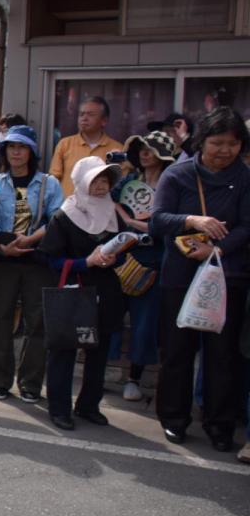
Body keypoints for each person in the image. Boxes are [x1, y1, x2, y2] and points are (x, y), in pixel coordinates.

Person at [150, 108, 250, 452]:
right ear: (201, 141)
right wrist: (193, 220)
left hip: (227, 277)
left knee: (222, 355)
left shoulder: (246, 178)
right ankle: (173, 418)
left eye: (233, 144)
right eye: (217, 142)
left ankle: (219, 423)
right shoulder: (177, 175)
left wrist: (218, 251)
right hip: (179, 277)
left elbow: (247, 227)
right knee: (177, 352)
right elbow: (158, 220)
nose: (225, 150)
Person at [38, 157, 124, 431]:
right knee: (64, 350)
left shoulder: (113, 212)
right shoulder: (64, 216)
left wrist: (114, 260)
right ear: (83, 182)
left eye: (105, 181)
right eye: (95, 180)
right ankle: (59, 408)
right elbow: (49, 259)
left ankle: (89, 405)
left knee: (99, 351)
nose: (101, 186)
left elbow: (123, 249)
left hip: (106, 289)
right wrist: (85, 263)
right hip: (74, 289)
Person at [0, 125, 62, 403]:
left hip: (38, 260)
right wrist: (5, 247)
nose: (16, 152)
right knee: (0, 319)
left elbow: (56, 220)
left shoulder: (49, 183)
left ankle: (30, 384)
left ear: (32, 151)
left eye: (22, 147)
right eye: (11, 147)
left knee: (36, 322)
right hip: (5, 259)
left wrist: (28, 241)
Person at [110, 130, 176, 401]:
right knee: (111, 316)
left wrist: (142, 224)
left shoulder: (172, 183)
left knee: (145, 324)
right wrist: (126, 218)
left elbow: (172, 222)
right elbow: (107, 198)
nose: (145, 153)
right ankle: (104, 369)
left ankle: (134, 377)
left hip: (155, 260)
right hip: (123, 254)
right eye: (141, 149)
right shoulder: (128, 180)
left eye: (151, 149)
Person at [49, 96, 123, 197]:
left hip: (100, 209)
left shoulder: (117, 149)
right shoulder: (65, 144)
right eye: (81, 114)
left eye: (90, 114)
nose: (84, 118)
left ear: (104, 121)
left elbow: (120, 184)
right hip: (67, 209)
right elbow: (53, 180)